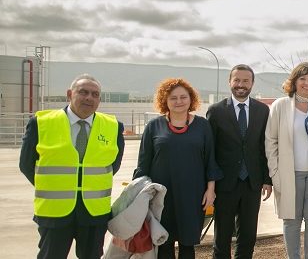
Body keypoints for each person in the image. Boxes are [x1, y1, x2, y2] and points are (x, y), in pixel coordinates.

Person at [19, 74, 125, 259]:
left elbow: (113, 166)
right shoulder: (42, 123)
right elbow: (26, 165)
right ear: (69, 94)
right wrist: (54, 185)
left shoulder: (114, 127)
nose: (89, 98)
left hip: (94, 213)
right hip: (54, 213)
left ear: (99, 99)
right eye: (83, 92)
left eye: (95, 94)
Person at [134, 78, 222, 258]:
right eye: (173, 98)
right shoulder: (154, 126)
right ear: (164, 101)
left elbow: (210, 160)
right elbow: (143, 164)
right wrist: (140, 195)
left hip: (193, 195)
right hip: (160, 197)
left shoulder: (202, 126)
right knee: (163, 244)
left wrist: (211, 190)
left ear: (191, 99)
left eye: (183, 97)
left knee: (187, 245)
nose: (179, 101)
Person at [265, 62, 308, 259]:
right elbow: (271, 141)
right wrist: (274, 173)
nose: (307, 83)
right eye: (302, 78)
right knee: (291, 220)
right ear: (294, 81)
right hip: (289, 173)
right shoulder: (281, 105)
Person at [207, 64, 273, 258]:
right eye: (237, 80)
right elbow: (210, 151)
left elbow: (264, 147)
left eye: (245, 80)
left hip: (252, 184)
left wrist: (267, 179)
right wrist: (210, 184)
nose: (241, 85)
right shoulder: (216, 111)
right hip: (225, 183)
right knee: (222, 237)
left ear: (252, 83)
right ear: (230, 82)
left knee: (248, 236)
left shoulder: (262, 111)